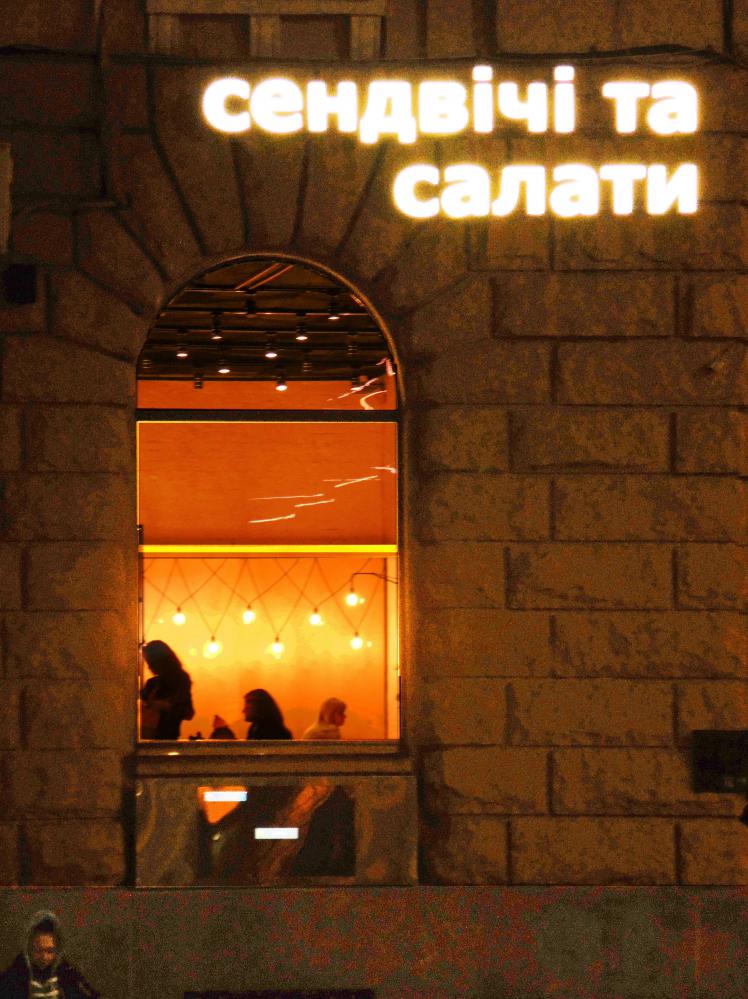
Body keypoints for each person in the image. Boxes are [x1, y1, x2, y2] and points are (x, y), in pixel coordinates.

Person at [0, 910, 100, 998]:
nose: (44, 957)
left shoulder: (67, 972)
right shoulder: (15, 974)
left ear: (57, 950)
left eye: (49, 951)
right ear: (29, 949)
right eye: (38, 950)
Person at [140, 639, 194, 739]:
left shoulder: (180, 679)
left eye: (151, 662)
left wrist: (166, 707)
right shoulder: (151, 683)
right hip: (147, 737)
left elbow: (188, 713)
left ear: (162, 661)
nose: (149, 667)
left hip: (165, 739)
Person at [209, 688, 292, 740]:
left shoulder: (273, 733)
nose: (243, 711)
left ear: (259, 707)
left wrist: (222, 730)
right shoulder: (255, 728)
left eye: (247, 707)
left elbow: (248, 756)